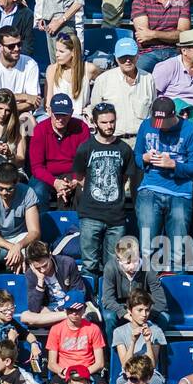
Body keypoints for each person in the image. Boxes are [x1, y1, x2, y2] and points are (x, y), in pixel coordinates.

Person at [134, 96, 193, 271]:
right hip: (150, 188)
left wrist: (173, 165)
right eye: (156, 120)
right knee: (148, 247)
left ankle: (176, 291)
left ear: (174, 116)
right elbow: (136, 157)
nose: (159, 125)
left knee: (178, 251)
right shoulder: (147, 125)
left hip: (180, 192)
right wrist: (145, 158)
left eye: (163, 121)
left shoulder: (190, 130)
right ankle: (150, 291)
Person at [70, 103, 134, 275]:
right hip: (91, 214)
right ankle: (90, 300)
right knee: (89, 265)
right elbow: (80, 176)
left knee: (114, 266)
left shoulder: (124, 149)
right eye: (104, 122)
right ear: (95, 123)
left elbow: (125, 177)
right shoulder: (86, 147)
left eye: (112, 122)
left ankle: (108, 300)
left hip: (116, 216)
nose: (109, 126)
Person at [0, 163, 43, 282]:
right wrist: (12, 247)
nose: (3, 193)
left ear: (17, 182)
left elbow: (34, 231)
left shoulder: (28, 193)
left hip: (19, 237)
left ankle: (28, 291)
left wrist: (19, 246)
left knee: (32, 251)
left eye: (9, 189)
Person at [90, 39, 156, 141]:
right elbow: (95, 112)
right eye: (123, 57)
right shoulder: (103, 80)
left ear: (137, 56)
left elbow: (153, 112)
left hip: (141, 140)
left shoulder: (148, 78)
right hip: (112, 140)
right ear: (116, 58)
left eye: (131, 56)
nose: (127, 60)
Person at [0, 25, 44, 125]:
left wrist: (2, 106)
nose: (17, 49)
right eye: (11, 46)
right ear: (0, 46)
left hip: (20, 113)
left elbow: (34, 102)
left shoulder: (30, 63)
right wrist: (24, 96)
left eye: (19, 44)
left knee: (29, 122)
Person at [153, 29, 193, 128]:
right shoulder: (167, 67)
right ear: (184, 50)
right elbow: (152, 95)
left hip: (191, 117)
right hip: (168, 116)